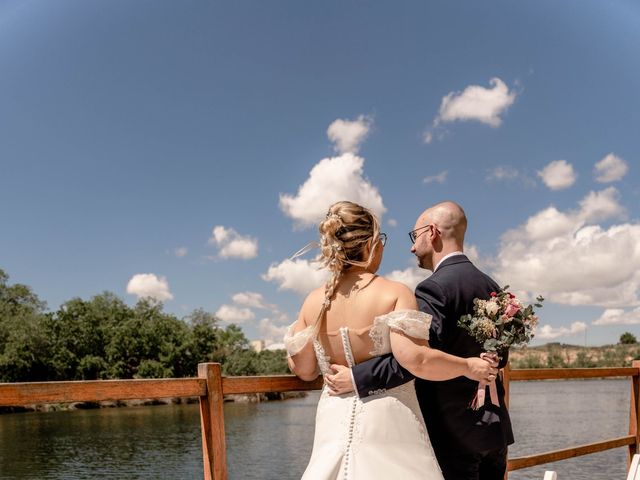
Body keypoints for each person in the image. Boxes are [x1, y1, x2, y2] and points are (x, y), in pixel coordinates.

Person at [284, 200, 498, 480]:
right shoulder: (395, 293)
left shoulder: (313, 302)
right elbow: (416, 360)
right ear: (371, 243)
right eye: (381, 239)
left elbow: (304, 369)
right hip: (388, 422)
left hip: (333, 419)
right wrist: (469, 366)